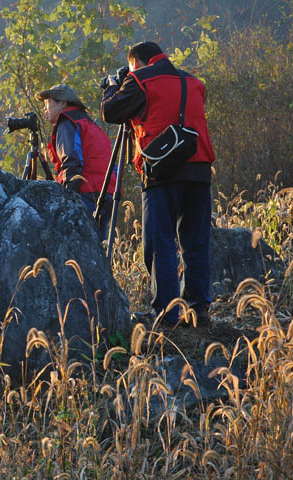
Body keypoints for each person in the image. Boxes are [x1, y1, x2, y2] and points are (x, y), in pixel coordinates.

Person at [100, 41, 215, 327]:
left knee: (160, 242)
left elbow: (110, 112)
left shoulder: (140, 79)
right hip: (200, 168)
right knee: (195, 242)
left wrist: (113, 86)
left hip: (162, 172)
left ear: (136, 63)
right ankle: (198, 308)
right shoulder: (194, 82)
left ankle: (167, 313)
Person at [38, 84, 116, 241]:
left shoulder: (67, 122)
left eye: (48, 102)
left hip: (86, 194)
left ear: (63, 103)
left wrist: (68, 199)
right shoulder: (91, 124)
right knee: (96, 247)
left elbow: (72, 161)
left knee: (76, 246)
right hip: (107, 194)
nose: (45, 108)